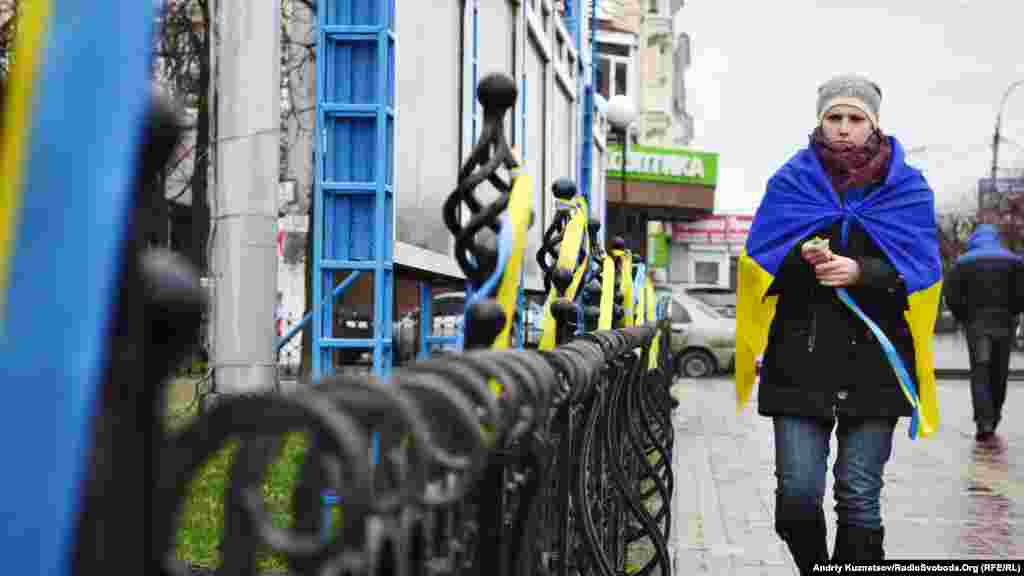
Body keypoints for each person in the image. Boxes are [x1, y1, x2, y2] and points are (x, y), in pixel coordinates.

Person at [735, 74, 943, 572]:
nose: (844, 128)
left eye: (855, 118)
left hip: (876, 365)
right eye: (834, 117)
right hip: (800, 362)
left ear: (874, 124)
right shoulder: (791, 182)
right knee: (796, 501)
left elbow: (922, 272)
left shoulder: (907, 188)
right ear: (820, 121)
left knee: (859, 498)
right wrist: (804, 258)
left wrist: (861, 272)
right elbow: (759, 264)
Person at [943, 222, 1023, 444]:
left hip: (977, 326)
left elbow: (951, 294)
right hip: (1004, 324)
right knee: (999, 372)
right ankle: (994, 417)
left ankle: (984, 422)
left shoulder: (963, 263)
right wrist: (1013, 312)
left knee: (981, 372)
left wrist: (963, 317)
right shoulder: (1014, 261)